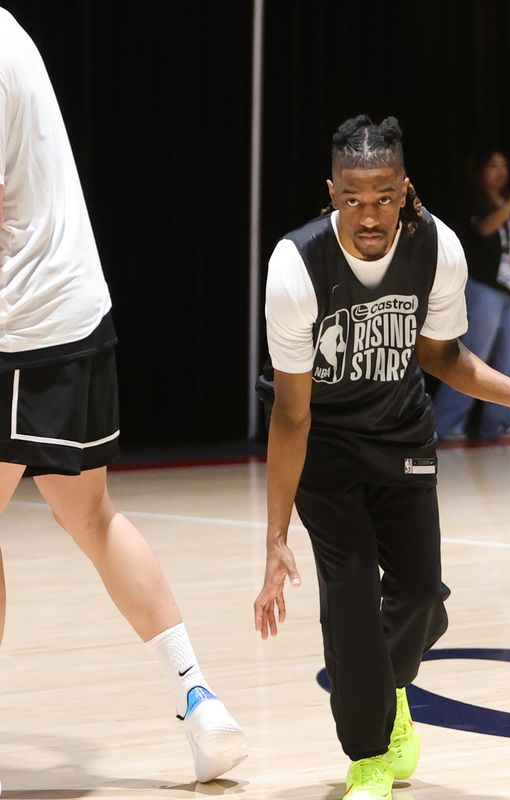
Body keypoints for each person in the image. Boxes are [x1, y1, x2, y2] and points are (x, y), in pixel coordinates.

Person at [254, 116, 510, 799]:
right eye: (353, 198)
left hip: (400, 437)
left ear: (406, 190)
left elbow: (442, 357)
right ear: (331, 193)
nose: (369, 215)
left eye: (384, 197)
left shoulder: (437, 249)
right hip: (326, 444)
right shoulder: (297, 266)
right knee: (352, 598)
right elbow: (292, 412)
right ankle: (368, 757)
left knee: (423, 598)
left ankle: (387, 688)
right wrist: (276, 536)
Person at [0, 7, 246, 783]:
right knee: (90, 514)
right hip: (76, 307)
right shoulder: (9, 29)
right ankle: (199, 697)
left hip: (18, 317)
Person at [432, 149, 510, 441]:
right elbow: (485, 228)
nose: (501, 172)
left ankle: (500, 421)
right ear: (480, 171)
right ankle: (446, 424)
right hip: (484, 287)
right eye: (493, 166)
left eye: (504, 166)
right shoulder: (474, 203)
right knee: (474, 356)